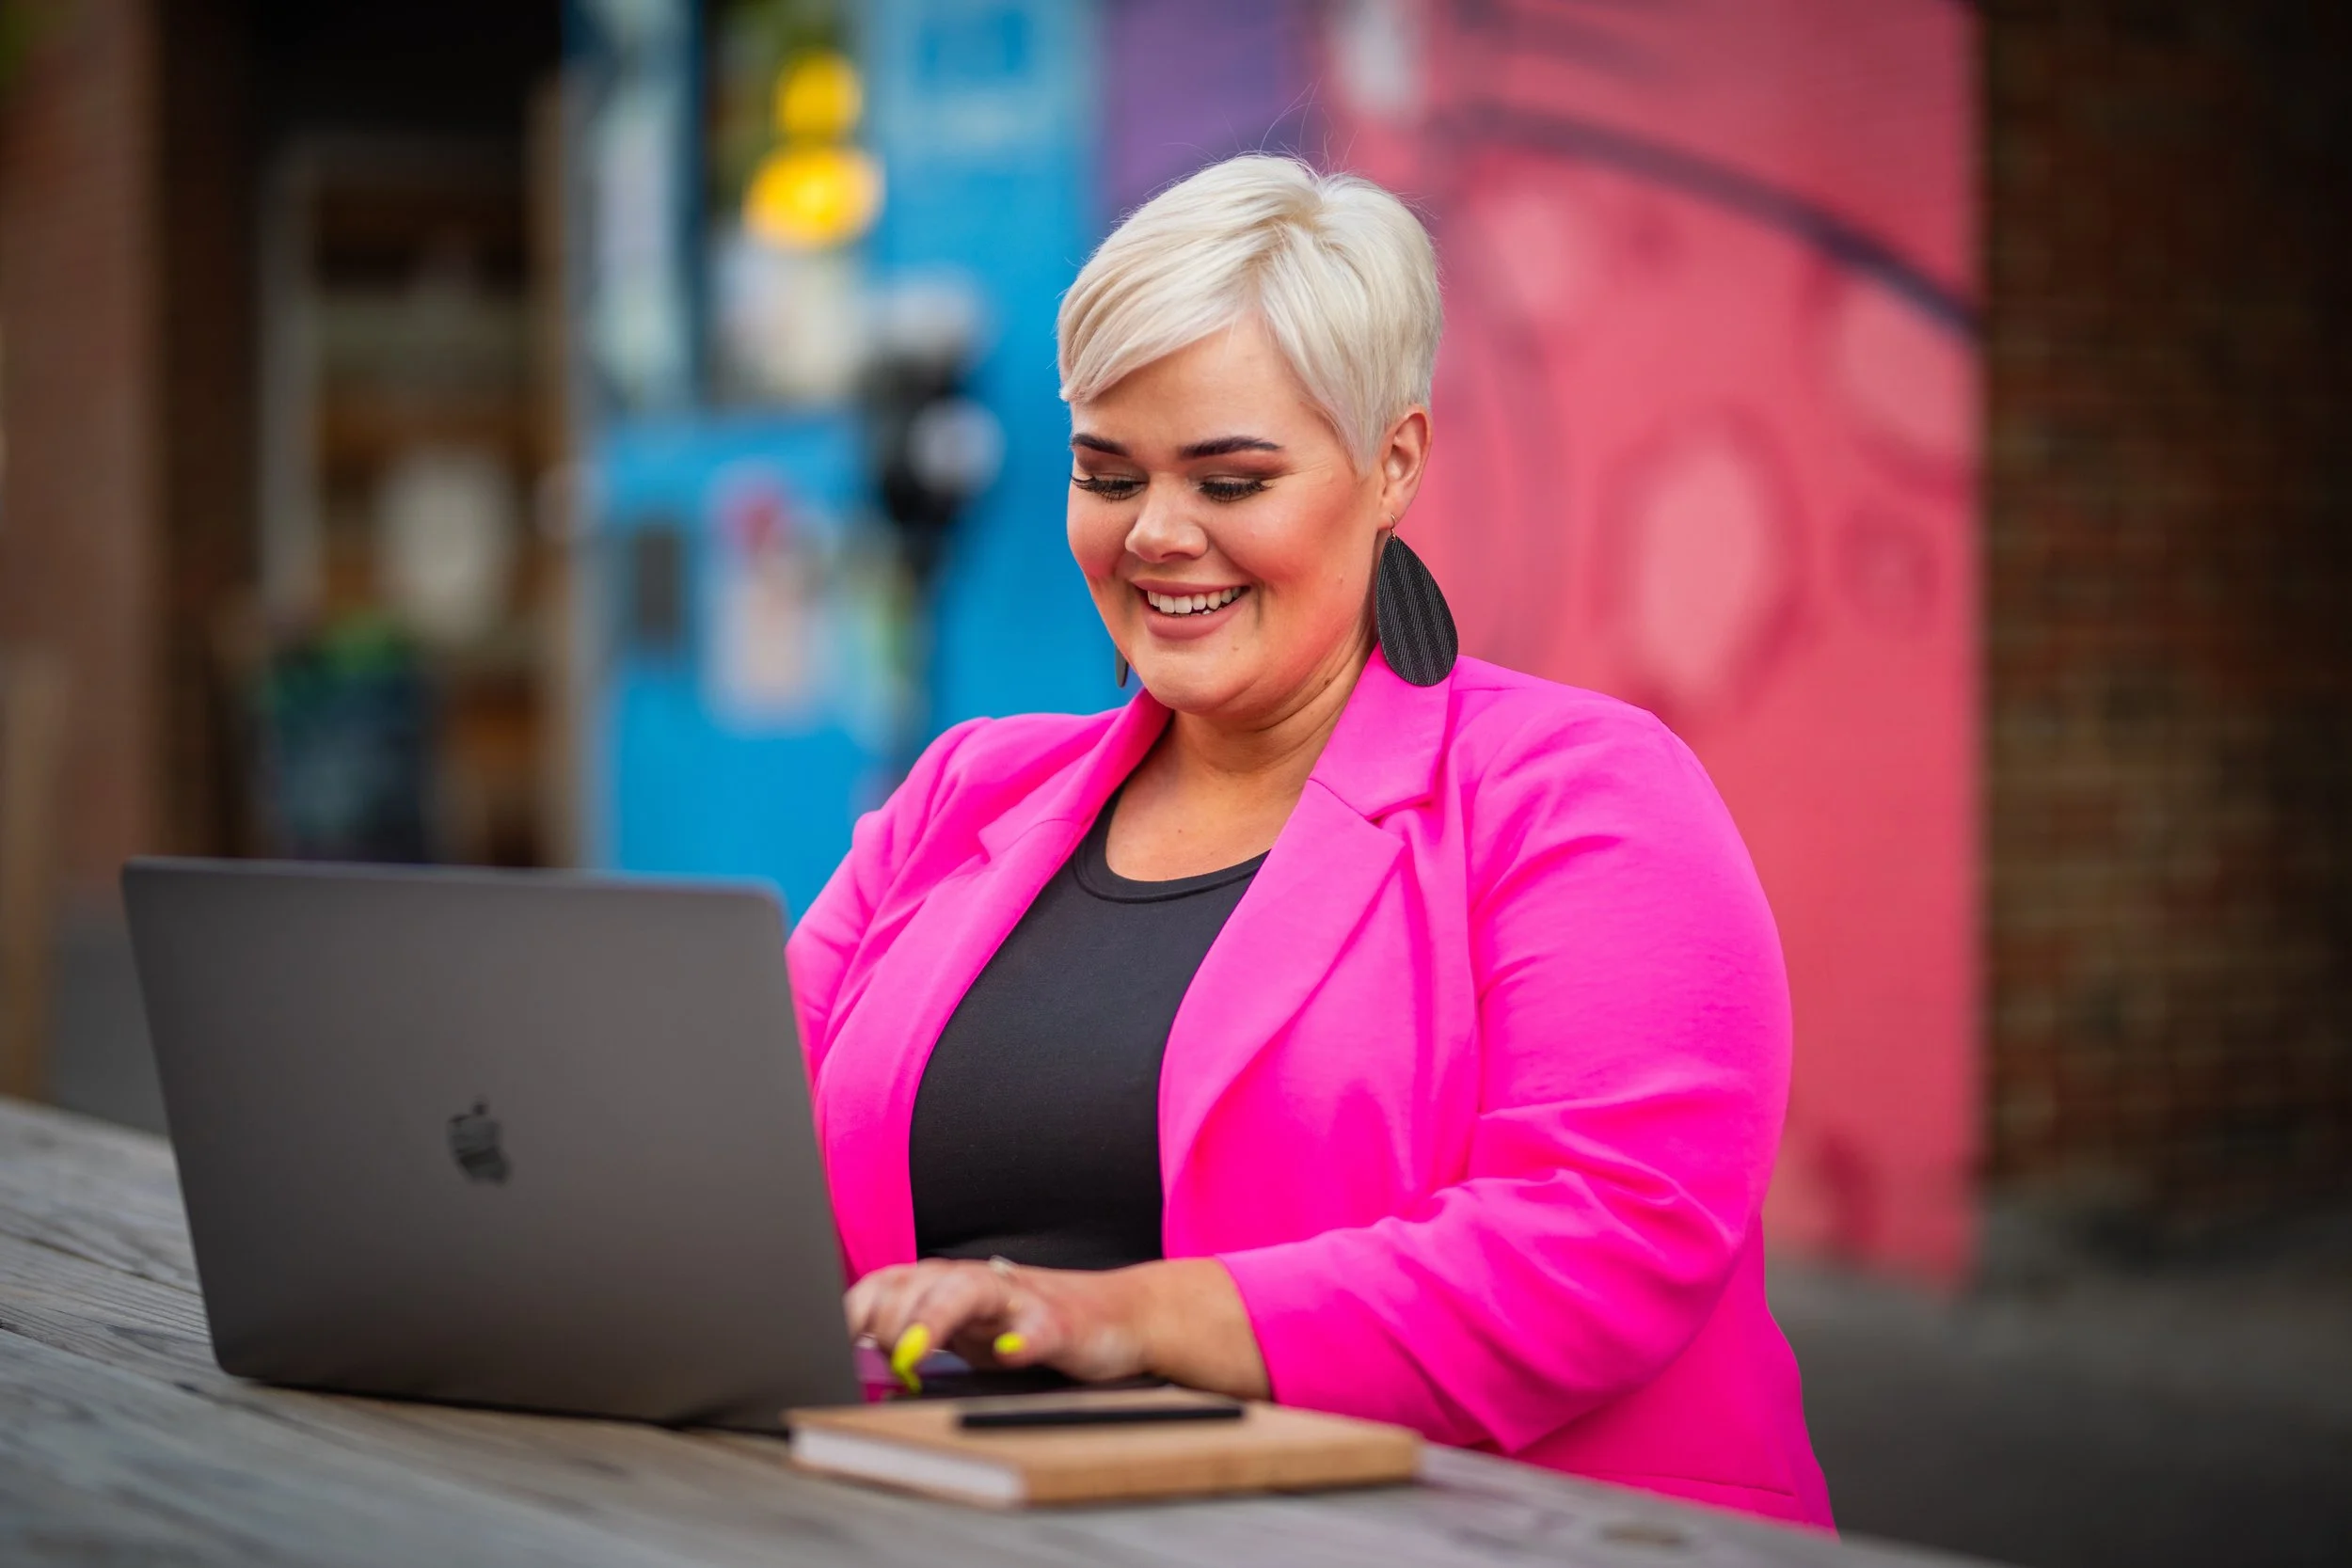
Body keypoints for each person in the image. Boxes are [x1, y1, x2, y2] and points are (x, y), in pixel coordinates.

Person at [787, 154, 1832, 1528]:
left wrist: (1126, 1318)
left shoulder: (1585, 795)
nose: (1156, 534)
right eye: (1109, 473)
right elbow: (731, 1150)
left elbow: (1604, 1236)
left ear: (1393, 462)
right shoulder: (960, 795)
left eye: (1230, 481)